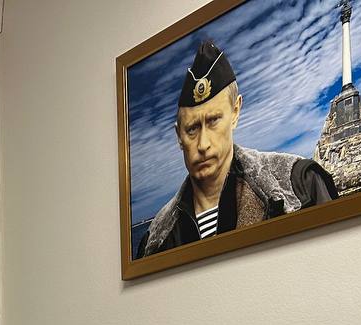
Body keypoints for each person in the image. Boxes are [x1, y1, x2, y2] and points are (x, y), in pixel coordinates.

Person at [136, 39, 338, 259]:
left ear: (235, 112)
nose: (203, 144)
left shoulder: (299, 184)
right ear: (179, 136)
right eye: (192, 128)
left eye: (213, 120)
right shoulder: (156, 239)